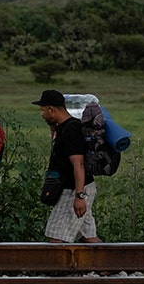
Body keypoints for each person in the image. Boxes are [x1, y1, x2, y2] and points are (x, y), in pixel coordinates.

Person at [34, 89, 101, 243]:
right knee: (88, 238)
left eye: (43, 110)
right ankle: (108, 265)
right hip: (74, 187)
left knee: (56, 238)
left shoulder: (71, 129)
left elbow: (79, 164)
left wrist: (79, 196)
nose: (42, 114)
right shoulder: (62, 128)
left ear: (52, 109)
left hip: (74, 190)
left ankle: (56, 266)